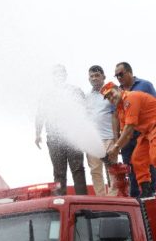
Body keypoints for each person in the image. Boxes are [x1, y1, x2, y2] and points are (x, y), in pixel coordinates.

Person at [102, 82, 156, 197]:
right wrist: (114, 152)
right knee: (137, 158)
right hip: (148, 130)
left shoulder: (130, 98)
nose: (111, 98)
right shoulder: (120, 110)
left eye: (111, 93)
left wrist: (116, 148)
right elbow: (127, 135)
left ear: (119, 90)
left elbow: (129, 128)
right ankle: (146, 191)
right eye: (107, 97)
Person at [35, 65, 88, 195]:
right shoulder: (46, 95)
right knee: (59, 172)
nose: (59, 76)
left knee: (78, 169)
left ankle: (82, 201)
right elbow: (40, 115)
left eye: (61, 73)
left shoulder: (75, 91)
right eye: (56, 73)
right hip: (54, 138)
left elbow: (84, 111)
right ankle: (60, 200)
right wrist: (37, 134)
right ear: (53, 77)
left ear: (65, 75)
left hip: (73, 137)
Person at [114, 62, 156, 197]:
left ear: (130, 72)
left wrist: (154, 132)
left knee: (148, 163)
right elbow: (115, 116)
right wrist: (117, 139)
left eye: (121, 74)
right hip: (127, 136)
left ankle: (150, 193)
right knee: (130, 166)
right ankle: (135, 196)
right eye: (116, 76)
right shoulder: (116, 92)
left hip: (144, 133)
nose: (119, 78)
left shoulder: (145, 85)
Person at [84, 65, 118, 196]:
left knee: (112, 169)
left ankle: (113, 196)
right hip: (92, 140)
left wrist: (117, 139)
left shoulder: (111, 92)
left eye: (97, 75)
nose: (94, 78)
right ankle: (101, 197)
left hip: (109, 137)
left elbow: (117, 113)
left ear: (103, 77)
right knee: (95, 170)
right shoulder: (87, 97)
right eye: (91, 76)